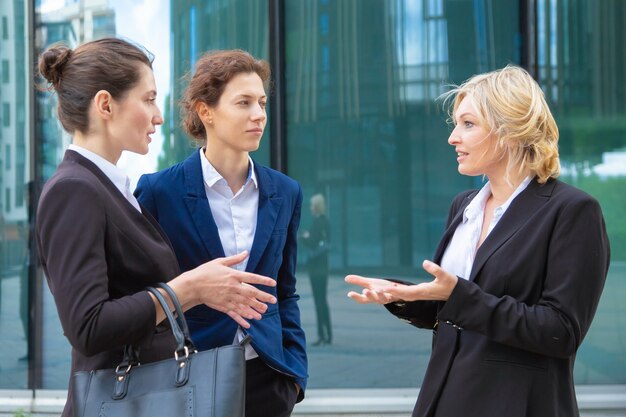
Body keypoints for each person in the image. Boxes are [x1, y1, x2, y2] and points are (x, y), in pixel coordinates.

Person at [345, 65, 610, 417]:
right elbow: (456, 311)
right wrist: (405, 296)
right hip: (442, 400)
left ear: (510, 130)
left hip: (516, 405)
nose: (454, 137)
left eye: (468, 124)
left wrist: (457, 295)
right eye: (455, 124)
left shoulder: (573, 211)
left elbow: (560, 332)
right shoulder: (464, 206)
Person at [36, 38, 278, 417]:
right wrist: (187, 289)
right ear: (105, 105)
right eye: (148, 99)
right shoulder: (75, 190)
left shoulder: (109, 187)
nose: (158, 116)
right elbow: (88, 326)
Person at [135, 49, 307, 417]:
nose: (259, 114)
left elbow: (285, 290)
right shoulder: (158, 191)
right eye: (243, 102)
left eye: (261, 102)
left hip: (268, 377)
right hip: (186, 374)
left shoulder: (286, 191)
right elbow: (142, 291)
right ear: (205, 111)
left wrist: (295, 375)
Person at [301, 193, 332, 346]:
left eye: (312, 205)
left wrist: (305, 237)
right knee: (323, 300)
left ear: (316, 207)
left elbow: (312, 242)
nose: (311, 208)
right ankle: (328, 335)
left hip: (316, 268)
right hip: (323, 267)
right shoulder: (325, 221)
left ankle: (322, 335)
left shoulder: (317, 223)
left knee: (318, 301)